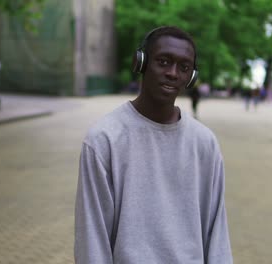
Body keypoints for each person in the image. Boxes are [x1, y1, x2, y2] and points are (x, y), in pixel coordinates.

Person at [75, 26, 233, 263]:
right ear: (141, 63)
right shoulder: (104, 140)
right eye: (163, 61)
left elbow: (217, 230)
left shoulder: (205, 144)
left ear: (191, 77)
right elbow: (92, 238)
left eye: (184, 67)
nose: (173, 73)